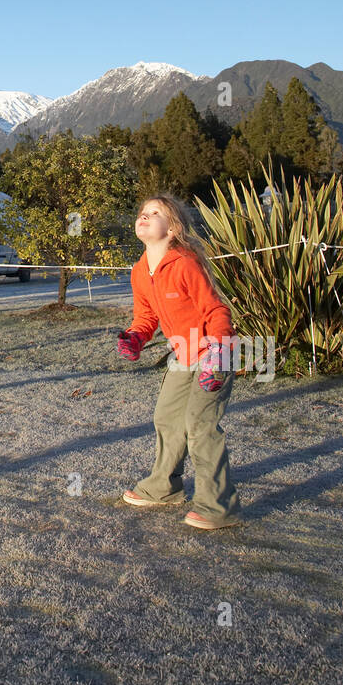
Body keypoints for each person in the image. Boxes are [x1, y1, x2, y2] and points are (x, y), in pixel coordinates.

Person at [116, 195, 242, 529]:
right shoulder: (141, 270)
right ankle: (164, 487)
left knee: (200, 425)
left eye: (154, 214)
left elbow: (216, 309)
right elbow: (146, 315)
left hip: (214, 352)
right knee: (167, 418)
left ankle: (219, 506)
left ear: (172, 229)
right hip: (183, 354)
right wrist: (135, 337)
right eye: (142, 212)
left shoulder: (184, 262)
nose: (144, 216)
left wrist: (217, 354)